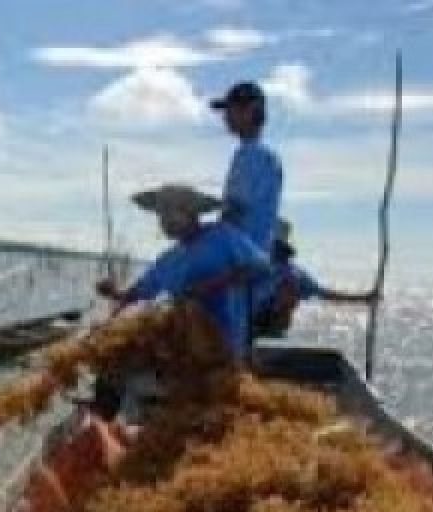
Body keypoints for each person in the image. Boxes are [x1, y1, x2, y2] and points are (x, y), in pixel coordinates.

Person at [96, 184, 273, 360]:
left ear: (192, 213)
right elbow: (138, 293)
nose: (165, 221)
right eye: (161, 214)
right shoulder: (168, 259)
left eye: (171, 212)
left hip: (225, 348)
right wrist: (114, 293)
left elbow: (263, 267)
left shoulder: (223, 236)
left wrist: (213, 283)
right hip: (183, 353)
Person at [251, 219, 377, 338]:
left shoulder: (293, 273)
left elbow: (325, 294)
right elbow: (325, 294)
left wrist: (363, 298)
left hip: (270, 325)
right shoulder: (259, 267)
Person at [211, 81, 283, 252]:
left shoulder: (248, 155)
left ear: (250, 112)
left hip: (238, 254)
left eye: (231, 110)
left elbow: (234, 211)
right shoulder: (270, 159)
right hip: (257, 252)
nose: (226, 116)